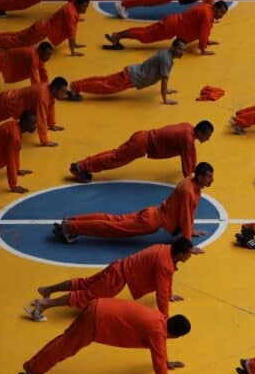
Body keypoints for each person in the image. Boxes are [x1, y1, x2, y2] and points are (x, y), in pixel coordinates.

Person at [18, 298, 191, 374]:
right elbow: (158, 359)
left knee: (65, 341)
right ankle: (34, 371)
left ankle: (34, 366)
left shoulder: (160, 320)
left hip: (98, 307)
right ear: (175, 335)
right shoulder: (158, 332)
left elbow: (160, 353)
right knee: (65, 346)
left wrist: (166, 362)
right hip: (97, 320)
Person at [26, 237, 199, 322]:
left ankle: (47, 290)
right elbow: (161, 291)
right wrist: (164, 318)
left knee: (85, 283)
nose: (190, 257)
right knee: (84, 296)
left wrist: (169, 293)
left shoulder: (165, 249)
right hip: (117, 279)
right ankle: (44, 305)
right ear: (181, 253)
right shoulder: (165, 264)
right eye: (189, 254)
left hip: (118, 266)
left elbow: (167, 280)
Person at [54, 162, 214, 244]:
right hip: (150, 221)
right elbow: (186, 215)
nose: (211, 180)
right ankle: (70, 227)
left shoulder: (191, 184)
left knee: (113, 220)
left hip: (151, 214)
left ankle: (72, 221)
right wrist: (187, 242)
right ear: (200, 177)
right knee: (112, 227)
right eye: (209, 177)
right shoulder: (189, 191)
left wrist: (190, 230)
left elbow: (188, 213)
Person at [69, 120, 214, 183]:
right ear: (201, 132)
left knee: (115, 155)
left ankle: (83, 165)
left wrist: (194, 168)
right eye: (207, 136)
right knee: (115, 158)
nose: (207, 139)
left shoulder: (188, 129)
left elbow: (190, 154)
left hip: (142, 138)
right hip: (142, 145)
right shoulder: (187, 139)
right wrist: (192, 180)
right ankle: (81, 166)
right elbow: (186, 162)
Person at [67, 39, 186, 104]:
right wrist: (165, 99)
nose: (182, 52)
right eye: (180, 49)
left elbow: (164, 77)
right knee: (105, 87)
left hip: (131, 73)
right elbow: (164, 80)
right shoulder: (166, 59)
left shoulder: (166, 54)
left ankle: (76, 85)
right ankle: (76, 87)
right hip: (131, 78)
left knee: (104, 80)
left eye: (183, 50)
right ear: (173, 47)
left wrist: (166, 90)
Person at [104, 1, 229, 55]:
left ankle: (118, 35)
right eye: (221, 12)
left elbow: (203, 29)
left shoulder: (207, 8)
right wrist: (203, 49)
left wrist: (206, 41)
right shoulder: (208, 15)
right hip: (173, 27)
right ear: (216, 8)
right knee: (145, 36)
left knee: (145, 32)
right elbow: (204, 31)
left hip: (173, 23)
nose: (221, 15)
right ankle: (117, 36)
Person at [0, 0, 90, 56]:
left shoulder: (71, 6)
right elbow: (71, 34)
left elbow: (74, 27)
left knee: (17, 36)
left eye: (87, 6)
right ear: (77, 3)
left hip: (41, 26)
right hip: (41, 30)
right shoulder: (71, 14)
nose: (86, 8)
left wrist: (75, 44)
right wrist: (72, 51)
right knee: (17, 42)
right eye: (84, 6)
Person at [0, 77, 69, 147]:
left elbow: (50, 107)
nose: (64, 94)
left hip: (7, 99)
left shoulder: (48, 89)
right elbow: (41, 118)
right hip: (6, 105)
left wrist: (52, 125)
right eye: (63, 91)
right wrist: (45, 141)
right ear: (54, 89)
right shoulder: (42, 97)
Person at [0, 111, 37, 193]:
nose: (35, 126)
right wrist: (13, 185)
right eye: (33, 123)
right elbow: (11, 160)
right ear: (25, 122)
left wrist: (17, 169)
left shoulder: (13, 125)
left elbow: (15, 152)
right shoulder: (15, 137)